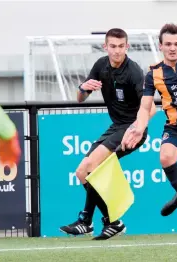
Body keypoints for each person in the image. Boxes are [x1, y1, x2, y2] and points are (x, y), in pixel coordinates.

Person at [60, 28, 156, 240]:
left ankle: (87, 221)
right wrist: (83, 87)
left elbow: (151, 108)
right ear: (105, 47)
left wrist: (137, 129)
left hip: (132, 129)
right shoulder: (101, 65)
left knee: (92, 167)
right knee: (81, 172)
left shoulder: (134, 72)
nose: (117, 51)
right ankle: (112, 223)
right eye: (112, 46)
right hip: (116, 127)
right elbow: (80, 97)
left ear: (126, 47)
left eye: (121, 46)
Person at [121, 23, 177, 229]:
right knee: (166, 157)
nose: (172, 48)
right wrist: (139, 127)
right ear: (160, 46)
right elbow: (145, 107)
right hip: (176, 127)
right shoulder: (154, 73)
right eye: (168, 44)